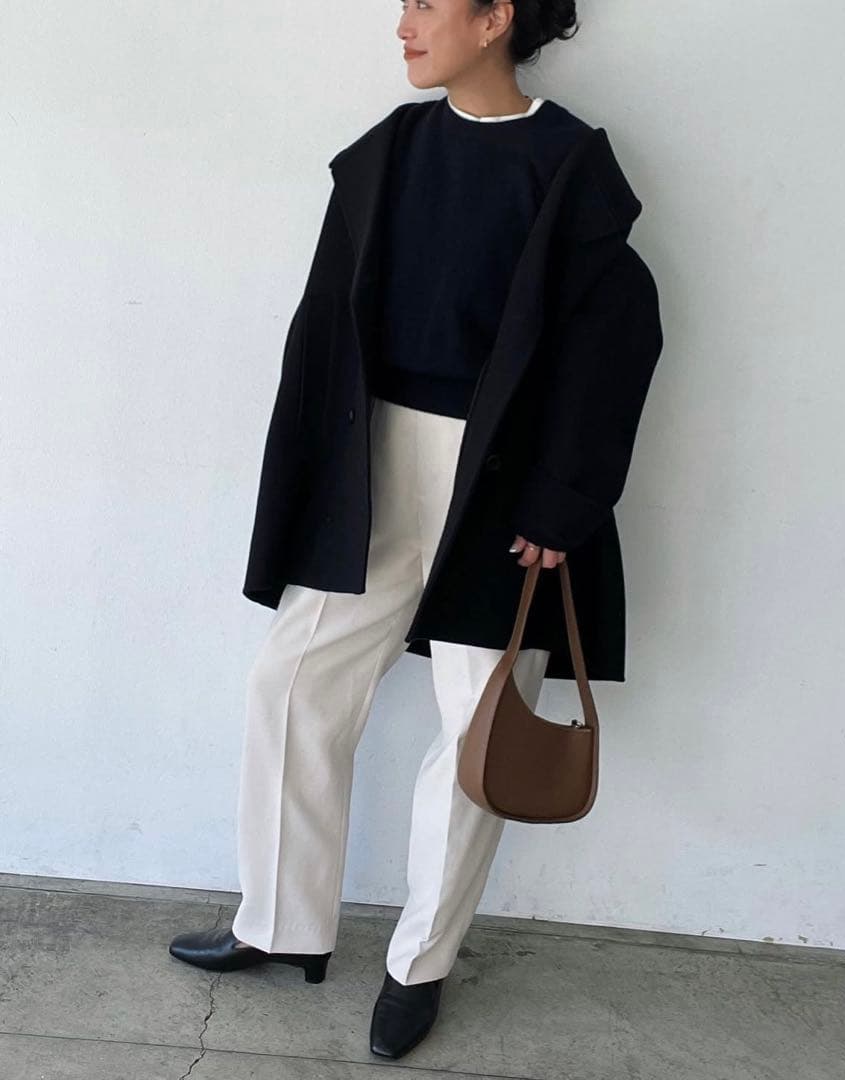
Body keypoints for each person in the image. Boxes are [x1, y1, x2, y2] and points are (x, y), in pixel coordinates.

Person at [169, 0, 663, 1063]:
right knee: (293, 681)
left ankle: (420, 964)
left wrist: (563, 502)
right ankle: (280, 922)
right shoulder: (392, 149)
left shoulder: (568, 166)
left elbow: (615, 343)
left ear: (493, 20)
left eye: (428, 3)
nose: (403, 24)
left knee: (479, 726)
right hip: (372, 458)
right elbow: (327, 321)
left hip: (499, 479)